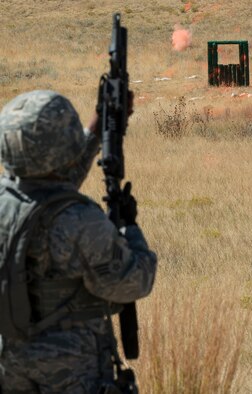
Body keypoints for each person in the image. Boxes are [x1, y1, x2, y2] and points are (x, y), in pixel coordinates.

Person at [0, 90, 157, 394]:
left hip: (9, 365)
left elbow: (46, 189)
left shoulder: (7, 202)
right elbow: (133, 282)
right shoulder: (79, 221)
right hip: (69, 371)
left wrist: (97, 131)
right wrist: (131, 229)